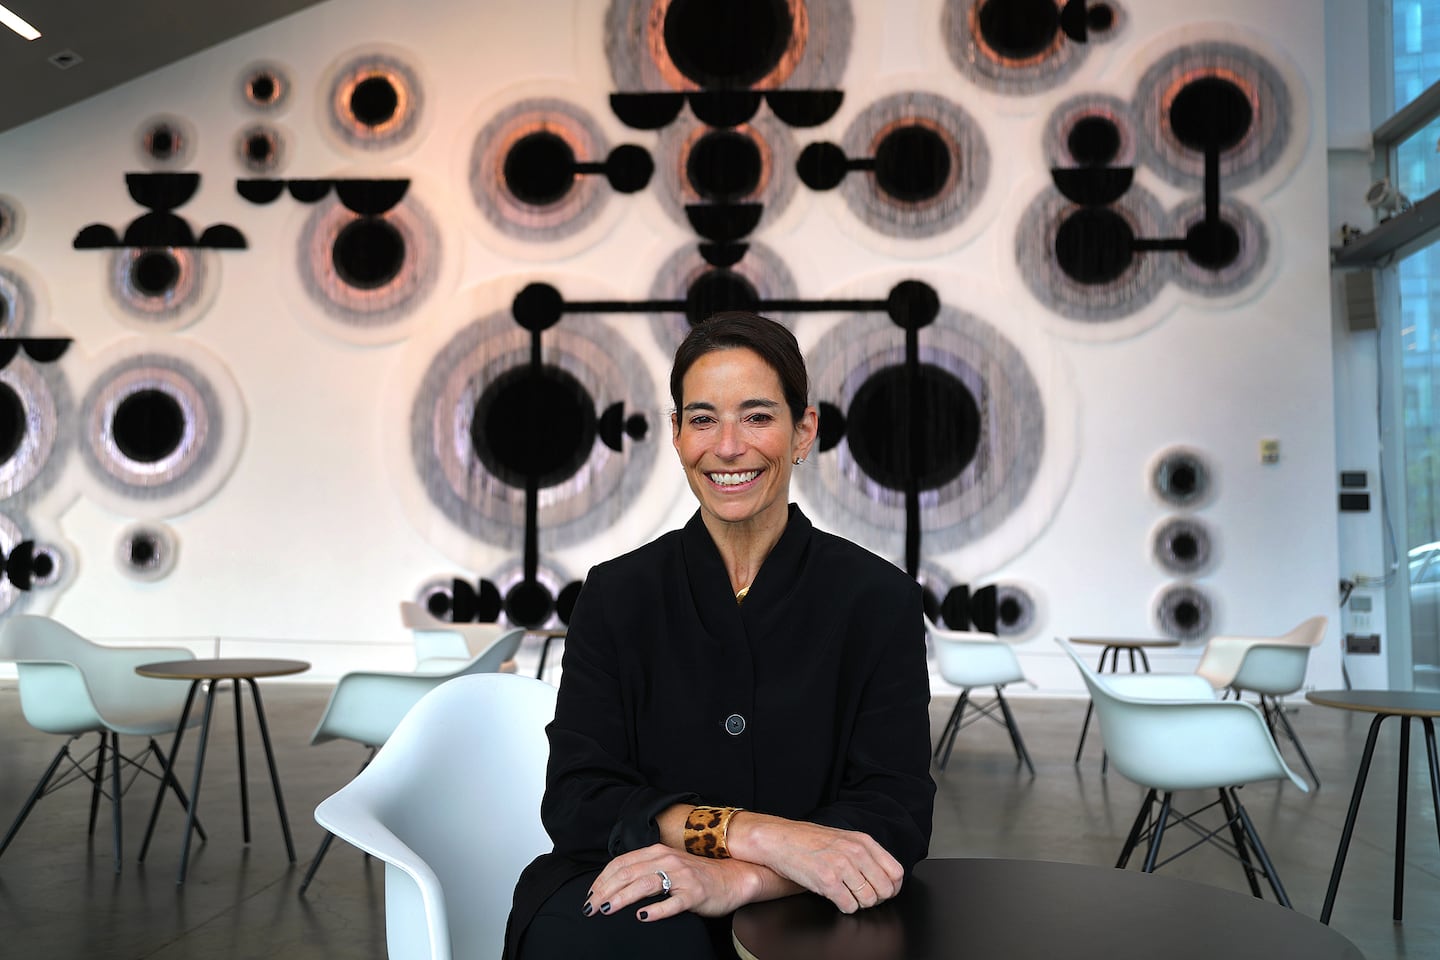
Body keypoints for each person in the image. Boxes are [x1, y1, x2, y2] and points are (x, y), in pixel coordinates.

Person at [506, 311, 935, 959]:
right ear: (677, 435)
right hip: (629, 884)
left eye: (758, 416)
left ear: (803, 431)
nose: (728, 446)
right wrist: (753, 833)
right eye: (703, 419)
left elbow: (895, 809)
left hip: (806, 894)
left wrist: (739, 876)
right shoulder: (617, 593)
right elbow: (577, 798)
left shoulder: (879, 598)